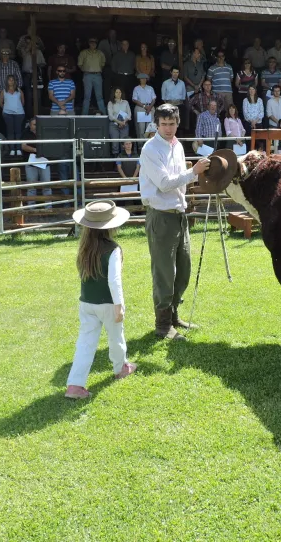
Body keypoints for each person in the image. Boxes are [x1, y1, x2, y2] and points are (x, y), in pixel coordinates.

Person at [139, 104, 211, 341]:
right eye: (163, 124)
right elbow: (164, 183)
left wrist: (198, 174)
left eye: (172, 124)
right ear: (156, 125)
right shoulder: (150, 149)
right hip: (160, 215)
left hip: (179, 214)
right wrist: (194, 172)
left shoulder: (177, 146)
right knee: (164, 273)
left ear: (178, 123)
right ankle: (163, 325)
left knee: (183, 269)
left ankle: (173, 316)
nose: (168, 128)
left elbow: (179, 182)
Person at [64, 200, 137, 399]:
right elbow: (114, 280)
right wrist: (119, 305)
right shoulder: (113, 249)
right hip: (108, 303)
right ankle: (121, 368)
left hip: (87, 303)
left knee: (85, 343)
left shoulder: (84, 247)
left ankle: (75, 385)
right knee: (116, 337)